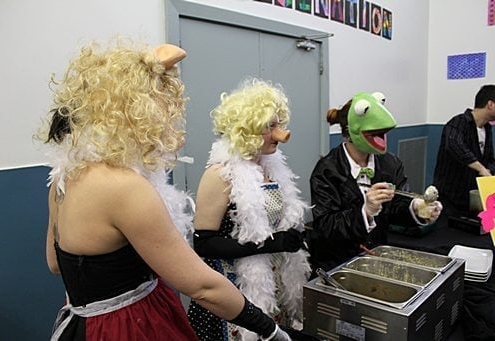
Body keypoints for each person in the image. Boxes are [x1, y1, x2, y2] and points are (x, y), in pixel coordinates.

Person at [38, 41, 292, 341]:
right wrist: (270, 330)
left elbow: (55, 263)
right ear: (137, 110)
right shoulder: (125, 187)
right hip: (132, 326)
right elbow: (202, 287)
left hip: (83, 323)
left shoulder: (65, 177)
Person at [187, 79, 310, 341]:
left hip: (271, 285)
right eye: (270, 126)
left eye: (279, 123)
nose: (280, 132)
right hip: (233, 292)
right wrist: (272, 244)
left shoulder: (270, 166)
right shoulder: (220, 174)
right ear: (248, 130)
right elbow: (205, 244)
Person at [309, 92, 443, 272]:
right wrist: (365, 212)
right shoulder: (326, 170)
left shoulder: (390, 164)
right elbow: (325, 227)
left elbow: (396, 207)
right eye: (375, 133)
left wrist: (417, 209)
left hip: (377, 260)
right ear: (349, 132)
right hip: (338, 266)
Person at [433, 84, 495, 215]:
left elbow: (489, 158)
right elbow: (456, 147)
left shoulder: (487, 129)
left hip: (472, 199)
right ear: (490, 104)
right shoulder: (457, 123)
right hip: (450, 199)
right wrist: (482, 169)